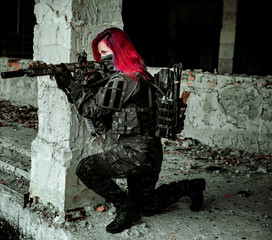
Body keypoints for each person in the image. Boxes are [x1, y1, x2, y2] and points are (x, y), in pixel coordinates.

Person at [53, 27, 206, 234]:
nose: (103, 59)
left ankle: (126, 208)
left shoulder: (123, 80)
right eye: (101, 55)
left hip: (135, 153)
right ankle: (192, 187)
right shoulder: (142, 75)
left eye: (106, 53)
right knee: (149, 205)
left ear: (120, 51)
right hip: (151, 152)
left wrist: (70, 84)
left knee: (85, 169)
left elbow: (91, 110)